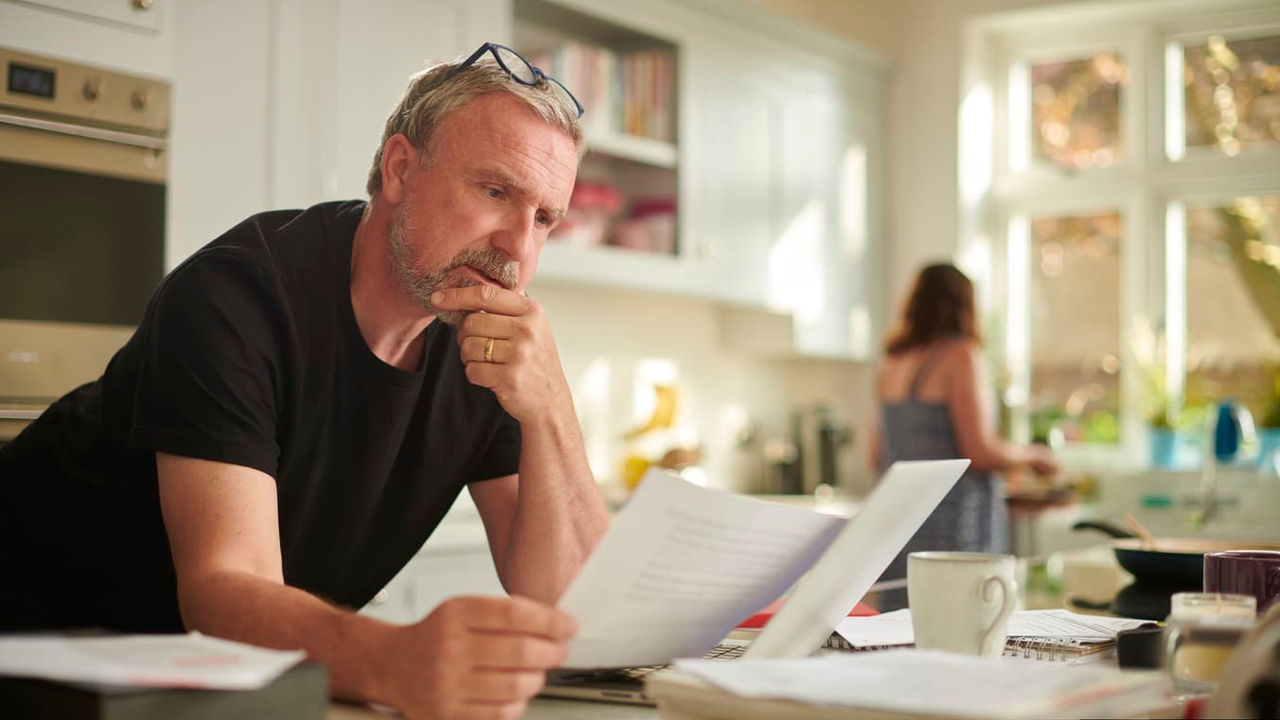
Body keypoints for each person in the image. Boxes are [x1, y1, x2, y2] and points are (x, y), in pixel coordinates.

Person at [0, 43, 610, 718]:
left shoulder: (485, 337)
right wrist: (392, 658)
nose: (519, 250)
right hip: (36, 642)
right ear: (401, 168)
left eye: (545, 218)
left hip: (207, 686)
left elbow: (575, 612)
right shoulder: (236, 296)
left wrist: (551, 408)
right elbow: (223, 588)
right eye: (496, 192)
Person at [866, 263, 1058, 580]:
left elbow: (874, 455)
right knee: (965, 619)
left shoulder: (890, 362)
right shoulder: (960, 356)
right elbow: (979, 451)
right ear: (964, 306)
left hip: (898, 521)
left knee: (900, 623)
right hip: (953, 527)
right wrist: (1033, 456)